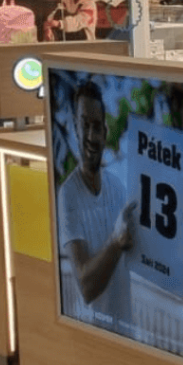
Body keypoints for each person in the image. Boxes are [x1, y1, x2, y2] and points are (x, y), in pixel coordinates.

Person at [57, 80, 136, 330]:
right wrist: (116, 242)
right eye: (85, 125)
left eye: (97, 127)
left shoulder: (118, 188)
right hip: (91, 333)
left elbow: (144, 248)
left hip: (128, 334)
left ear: (105, 132)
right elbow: (86, 287)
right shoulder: (68, 194)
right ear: (75, 128)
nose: (92, 136)